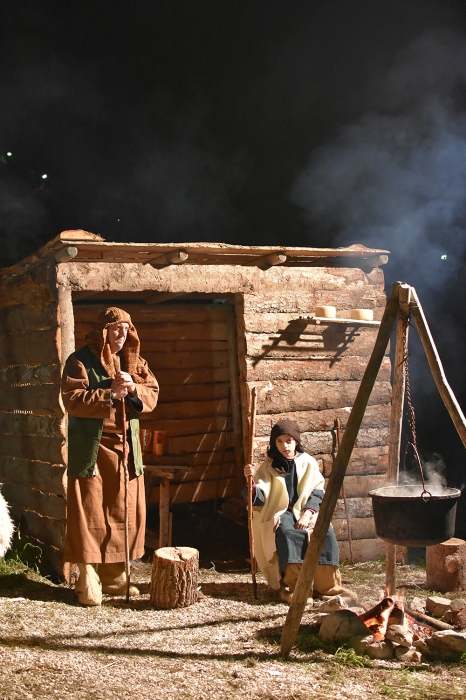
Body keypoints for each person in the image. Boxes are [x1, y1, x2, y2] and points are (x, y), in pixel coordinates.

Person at [61, 307, 159, 605]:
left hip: (126, 449)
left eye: (127, 329)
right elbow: (72, 400)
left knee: (123, 510)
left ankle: (115, 574)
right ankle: (88, 574)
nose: (122, 334)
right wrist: (110, 394)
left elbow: (152, 394)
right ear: (103, 331)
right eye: (116, 329)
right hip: (93, 446)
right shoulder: (80, 360)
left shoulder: (135, 362)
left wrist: (132, 391)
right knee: (89, 509)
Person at [244, 419, 351, 604]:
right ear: (273, 443)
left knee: (324, 534)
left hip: (307, 510)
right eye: (279, 441)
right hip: (281, 511)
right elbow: (259, 497)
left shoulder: (308, 462)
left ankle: (327, 587)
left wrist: (308, 513)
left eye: (288, 440)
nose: (284, 446)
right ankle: (297, 588)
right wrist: (250, 482)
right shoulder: (269, 466)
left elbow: (318, 490)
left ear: (296, 441)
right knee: (288, 534)